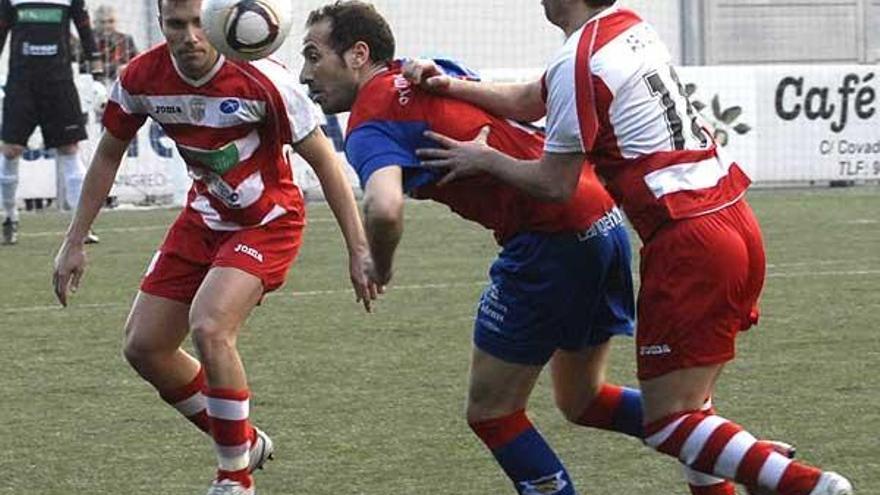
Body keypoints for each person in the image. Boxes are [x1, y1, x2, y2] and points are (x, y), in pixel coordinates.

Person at [409, 1, 854, 495]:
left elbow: (556, 184)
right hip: (733, 220)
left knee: (669, 423)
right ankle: (744, 460)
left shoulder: (579, 59)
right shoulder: (626, 27)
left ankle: (808, 486)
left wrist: (486, 159)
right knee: (692, 409)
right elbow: (536, 97)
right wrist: (452, 86)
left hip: (689, 241)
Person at [300, 3, 644, 494]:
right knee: (583, 399)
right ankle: (736, 451)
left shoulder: (368, 121)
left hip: (549, 243)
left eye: (313, 56)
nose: (306, 74)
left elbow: (384, 209)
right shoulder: (434, 70)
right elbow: (515, 107)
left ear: (358, 55)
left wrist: (380, 261)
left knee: (493, 412)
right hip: (602, 220)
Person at [52, 0, 379, 494]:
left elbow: (326, 163)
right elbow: (108, 154)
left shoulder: (265, 79)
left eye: (198, 25)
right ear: (162, 24)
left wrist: (358, 248)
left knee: (210, 324)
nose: (189, 37)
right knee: (144, 348)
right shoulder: (142, 76)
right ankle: (243, 440)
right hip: (203, 219)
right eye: (175, 24)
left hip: (267, 221)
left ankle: (235, 478)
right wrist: (74, 240)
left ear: (220, 23)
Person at [0, 0, 102, 245]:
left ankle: (81, 226)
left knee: (69, 149)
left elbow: (85, 30)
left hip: (59, 83)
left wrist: (97, 77)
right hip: (21, 84)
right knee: (11, 150)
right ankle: (9, 217)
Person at [93, 4, 138, 84]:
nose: (107, 26)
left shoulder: (126, 40)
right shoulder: (88, 42)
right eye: (102, 22)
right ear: (94, 23)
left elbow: (138, 64)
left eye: (111, 21)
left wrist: (127, 68)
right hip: (94, 87)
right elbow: (82, 69)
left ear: (116, 22)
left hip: (122, 85)